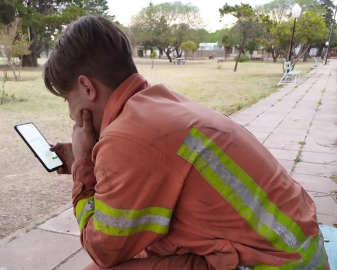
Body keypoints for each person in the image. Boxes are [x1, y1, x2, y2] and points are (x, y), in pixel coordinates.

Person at [45, 15, 330, 270]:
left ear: (86, 87)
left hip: (269, 263)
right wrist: (91, 160)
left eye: (67, 99)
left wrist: (83, 165)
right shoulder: (161, 104)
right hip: (297, 250)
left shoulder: (126, 138)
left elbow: (103, 249)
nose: (70, 112)